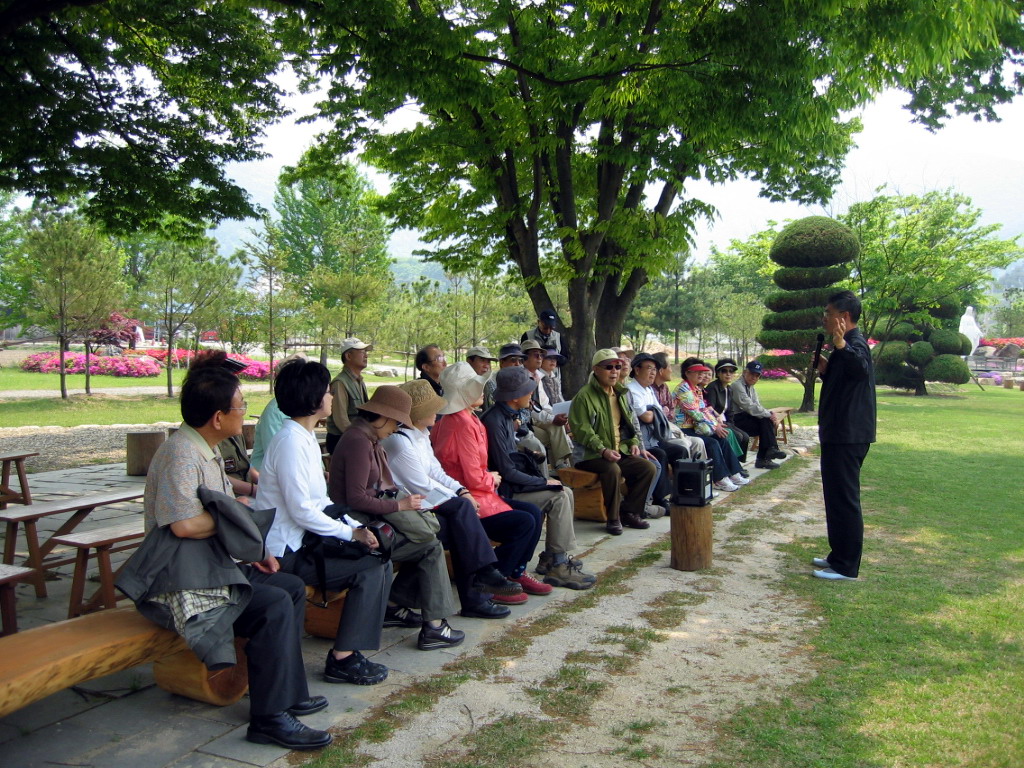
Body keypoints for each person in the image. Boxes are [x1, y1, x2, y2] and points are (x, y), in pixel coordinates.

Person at [132, 363, 332, 750]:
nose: (245, 412)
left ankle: (286, 693)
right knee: (272, 604)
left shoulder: (203, 448)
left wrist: (251, 548)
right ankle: (268, 718)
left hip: (210, 565)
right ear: (218, 416)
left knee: (288, 587)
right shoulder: (181, 455)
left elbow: (222, 512)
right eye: (241, 406)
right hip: (179, 577)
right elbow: (183, 527)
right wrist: (235, 514)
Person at [257, 359, 393, 685]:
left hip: (303, 541)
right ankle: (343, 658)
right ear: (314, 398)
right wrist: (351, 533)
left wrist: (356, 528)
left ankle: (347, 650)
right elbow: (302, 509)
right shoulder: (290, 442)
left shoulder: (302, 438)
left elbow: (322, 503)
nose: (332, 398)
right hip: (285, 551)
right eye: (328, 392)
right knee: (371, 567)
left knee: (379, 558)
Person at [329, 385, 466, 651]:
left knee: (428, 542)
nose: (396, 429)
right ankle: (433, 625)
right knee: (429, 545)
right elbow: (355, 498)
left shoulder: (366, 438)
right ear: (380, 417)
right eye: (395, 422)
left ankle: (401, 608)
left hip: (368, 517)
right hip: (358, 525)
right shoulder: (358, 441)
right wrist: (400, 506)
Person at [381, 379, 523, 619]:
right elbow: (422, 485)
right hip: (405, 510)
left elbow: (437, 472)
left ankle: (477, 585)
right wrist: (459, 500)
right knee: (459, 524)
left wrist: (461, 492)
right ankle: (479, 584)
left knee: (459, 526)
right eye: (432, 408)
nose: (437, 412)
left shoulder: (420, 435)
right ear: (418, 414)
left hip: (423, 507)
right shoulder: (400, 442)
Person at [431, 362, 549, 602]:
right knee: (524, 522)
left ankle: (514, 572)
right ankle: (495, 581)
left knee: (533, 513)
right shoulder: (460, 423)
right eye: (476, 387)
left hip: (480, 494)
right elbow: (472, 476)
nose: (482, 391)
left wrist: (488, 479)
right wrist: (492, 478)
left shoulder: (466, 417)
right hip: (471, 499)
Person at [480, 367, 595, 589]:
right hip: (501, 493)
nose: (531, 394)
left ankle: (554, 557)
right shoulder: (495, 421)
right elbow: (506, 471)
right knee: (559, 496)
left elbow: (507, 459)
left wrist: (528, 456)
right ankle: (557, 564)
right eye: (527, 391)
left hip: (508, 485)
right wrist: (543, 482)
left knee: (564, 492)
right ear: (514, 397)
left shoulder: (505, 416)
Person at [813, 290, 876, 581]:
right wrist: (827, 370)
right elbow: (847, 381)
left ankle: (847, 566)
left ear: (844, 317)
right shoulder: (845, 346)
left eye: (828, 313)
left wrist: (840, 345)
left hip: (848, 435)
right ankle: (837, 556)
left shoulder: (854, 343)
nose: (825, 318)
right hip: (839, 432)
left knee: (844, 499)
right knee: (835, 497)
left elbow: (860, 368)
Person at [568, 349, 658, 535]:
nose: (614, 371)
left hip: (617, 450)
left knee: (647, 468)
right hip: (590, 454)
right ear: (596, 369)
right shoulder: (584, 396)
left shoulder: (621, 393)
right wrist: (603, 450)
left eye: (617, 367)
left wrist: (633, 442)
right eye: (608, 367)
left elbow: (628, 424)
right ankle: (613, 518)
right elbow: (582, 430)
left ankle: (629, 512)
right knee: (612, 469)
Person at [673, 358, 750, 493]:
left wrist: (716, 425)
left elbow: (705, 410)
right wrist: (715, 427)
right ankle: (719, 479)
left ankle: (734, 473)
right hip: (683, 429)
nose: (701, 375)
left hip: (696, 427)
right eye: (697, 372)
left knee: (722, 438)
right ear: (687, 373)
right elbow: (696, 413)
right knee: (712, 443)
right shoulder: (683, 390)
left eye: (703, 372)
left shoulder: (696, 389)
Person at [627, 353, 690, 515]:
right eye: (648, 368)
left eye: (655, 369)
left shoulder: (648, 390)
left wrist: (655, 411)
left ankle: (681, 493)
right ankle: (660, 498)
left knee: (680, 451)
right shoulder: (632, 390)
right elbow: (646, 417)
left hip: (654, 437)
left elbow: (657, 412)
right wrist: (657, 411)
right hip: (641, 441)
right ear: (636, 369)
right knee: (659, 455)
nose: (653, 373)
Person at [521, 339, 573, 468]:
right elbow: (531, 408)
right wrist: (552, 418)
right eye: (535, 355)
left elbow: (544, 404)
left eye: (541, 355)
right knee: (554, 431)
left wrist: (558, 416)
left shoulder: (537, 376)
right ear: (525, 358)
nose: (540, 358)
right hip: (525, 423)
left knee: (557, 427)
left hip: (538, 418)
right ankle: (562, 465)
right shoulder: (521, 377)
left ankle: (561, 464)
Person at [729, 361, 788, 470]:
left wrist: (769, 415)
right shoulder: (737, 386)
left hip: (746, 417)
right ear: (745, 372)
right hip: (735, 419)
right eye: (752, 374)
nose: (754, 377)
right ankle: (766, 455)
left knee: (766, 422)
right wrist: (769, 414)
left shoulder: (751, 388)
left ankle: (768, 454)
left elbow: (757, 405)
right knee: (766, 422)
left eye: (757, 375)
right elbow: (748, 406)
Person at [325, 337, 372, 454]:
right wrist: (360, 439)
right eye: (362, 352)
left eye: (366, 352)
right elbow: (341, 420)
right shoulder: (340, 383)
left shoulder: (359, 381)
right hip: (343, 440)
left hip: (356, 438)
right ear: (348, 356)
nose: (366, 355)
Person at [704, 358, 751, 471]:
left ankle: (737, 464)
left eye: (731, 371)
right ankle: (733, 466)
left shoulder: (728, 389)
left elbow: (730, 411)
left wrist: (731, 423)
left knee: (745, 436)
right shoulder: (713, 388)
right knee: (736, 436)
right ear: (718, 374)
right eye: (724, 371)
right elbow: (710, 410)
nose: (728, 374)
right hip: (715, 422)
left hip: (726, 421)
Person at [521, 308, 569, 379]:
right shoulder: (527, 336)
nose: (548, 330)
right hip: (532, 378)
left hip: (553, 378)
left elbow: (565, 358)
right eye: (545, 327)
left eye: (551, 328)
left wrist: (552, 361)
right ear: (538, 322)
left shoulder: (558, 337)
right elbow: (522, 357)